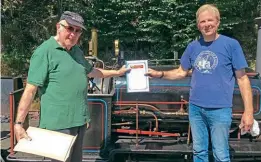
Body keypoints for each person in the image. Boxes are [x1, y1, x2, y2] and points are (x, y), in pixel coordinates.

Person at [14, 11, 129, 162]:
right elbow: (30, 90)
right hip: (58, 124)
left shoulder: (76, 51)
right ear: (58, 27)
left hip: (79, 121)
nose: (73, 34)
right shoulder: (44, 52)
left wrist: (117, 72)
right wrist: (19, 124)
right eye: (69, 29)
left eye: (77, 31)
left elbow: (92, 71)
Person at [146, 4, 254, 162]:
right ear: (198, 25)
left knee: (221, 154)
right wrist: (159, 74)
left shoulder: (231, 45)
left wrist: (249, 112)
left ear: (218, 22)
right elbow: (181, 72)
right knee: (199, 152)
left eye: (210, 20)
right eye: (202, 21)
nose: (207, 24)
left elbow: (243, 79)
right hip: (196, 109)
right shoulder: (193, 47)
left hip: (220, 109)